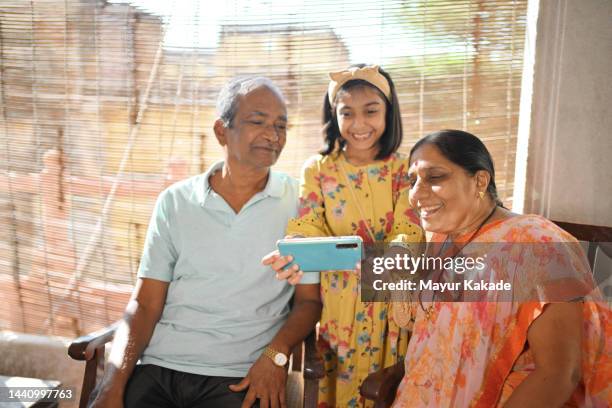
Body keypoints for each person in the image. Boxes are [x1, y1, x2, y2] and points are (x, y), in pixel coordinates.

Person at [89, 77, 322, 408]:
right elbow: (145, 303)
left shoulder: (300, 201)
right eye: (258, 122)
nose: (273, 136)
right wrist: (113, 383)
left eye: (281, 126)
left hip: (240, 377)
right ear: (221, 131)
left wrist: (276, 354)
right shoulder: (175, 202)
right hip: (159, 368)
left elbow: (309, 302)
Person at [391, 129, 611, 407]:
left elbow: (560, 374)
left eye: (434, 177)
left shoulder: (538, 245)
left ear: (480, 181)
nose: (416, 194)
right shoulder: (443, 236)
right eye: (412, 181)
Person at [264, 64, 423, 407]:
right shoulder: (318, 169)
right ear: (333, 115)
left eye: (371, 111)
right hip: (336, 311)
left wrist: (384, 259)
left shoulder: (403, 169)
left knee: (384, 389)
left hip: (387, 307)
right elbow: (308, 223)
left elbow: (408, 230)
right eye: (347, 113)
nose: (359, 124)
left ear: (389, 113)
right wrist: (293, 249)